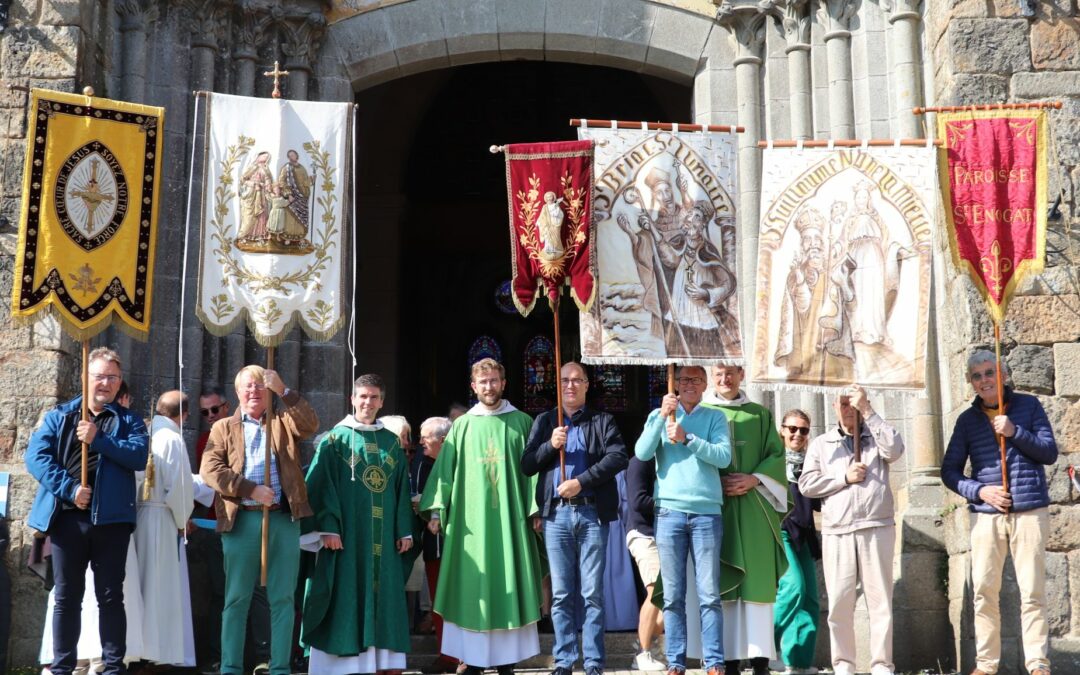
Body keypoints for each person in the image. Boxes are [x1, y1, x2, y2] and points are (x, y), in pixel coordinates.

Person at [26, 347, 150, 675]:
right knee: (67, 596)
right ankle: (62, 667)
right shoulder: (60, 417)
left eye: (113, 377)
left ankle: (112, 668)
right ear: (86, 378)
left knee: (110, 597)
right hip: (69, 519)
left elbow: (137, 456)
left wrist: (99, 440)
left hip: (112, 521)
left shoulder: (130, 422)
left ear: (119, 381)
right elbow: (36, 458)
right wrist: (70, 489)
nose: (106, 383)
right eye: (100, 376)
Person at [419, 358, 543, 675]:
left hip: (511, 523)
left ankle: (506, 662)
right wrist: (436, 509)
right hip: (469, 526)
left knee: (508, 583)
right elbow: (444, 471)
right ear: (474, 387)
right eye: (482, 382)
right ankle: (472, 660)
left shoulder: (522, 423)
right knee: (472, 588)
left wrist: (536, 509)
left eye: (494, 381)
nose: (489, 387)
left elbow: (534, 472)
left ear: (504, 383)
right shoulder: (462, 426)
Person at [941, 351, 1057, 675]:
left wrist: (1014, 431)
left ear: (1002, 375)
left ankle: (1037, 663)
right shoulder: (967, 420)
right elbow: (949, 471)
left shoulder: (1029, 407)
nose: (983, 380)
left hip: (1029, 511)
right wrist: (979, 490)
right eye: (976, 376)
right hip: (987, 515)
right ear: (971, 383)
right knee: (983, 591)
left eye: (989, 373)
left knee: (1032, 591)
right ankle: (986, 664)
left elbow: (1048, 453)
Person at [200, 366, 319, 675]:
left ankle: (280, 668)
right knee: (236, 597)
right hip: (241, 520)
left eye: (260, 387)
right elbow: (210, 469)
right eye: (247, 387)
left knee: (282, 597)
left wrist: (284, 390)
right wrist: (251, 489)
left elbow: (310, 424)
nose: (253, 391)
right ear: (238, 393)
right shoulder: (223, 428)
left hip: (282, 519)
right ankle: (231, 667)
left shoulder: (283, 422)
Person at [301, 373, 413, 674]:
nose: (367, 402)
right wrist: (328, 527)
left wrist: (404, 529)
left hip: (383, 542)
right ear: (352, 399)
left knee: (384, 597)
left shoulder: (391, 443)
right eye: (362, 396)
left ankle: (380, 664)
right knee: (345, 592)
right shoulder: (335, 440)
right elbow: (319, 485)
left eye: (374, 397)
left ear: (382, 401)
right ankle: (341, 665)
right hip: (346, 539)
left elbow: (402, 488)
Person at [521, 362, 629, 675]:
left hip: (592, 512)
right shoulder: (545, 421)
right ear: (558, 385)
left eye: (577, 380)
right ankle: (565, 659)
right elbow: (527, 464)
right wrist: (549, 446)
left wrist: (581, 481)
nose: (570, 386)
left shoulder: (603, 420)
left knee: (592, 592)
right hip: (556, 516)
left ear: (586, 385)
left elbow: (618, 456)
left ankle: (594, 661)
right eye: (565, 380)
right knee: (561, 593)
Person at [799, 385, 904, 675]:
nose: (849, 408)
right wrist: (843, 477)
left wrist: (868, 411)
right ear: (834, 406)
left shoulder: (876, 436)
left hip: (876, 525)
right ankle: (844, 665)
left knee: (880, 600)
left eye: (854, 403)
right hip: (839, 528)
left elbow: (895, 450)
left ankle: (882, 665)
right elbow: (807, 484)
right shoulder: (822, 443)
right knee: (840, 603)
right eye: (844, 403)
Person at [635, 365, 731, 675]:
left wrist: (688, 438)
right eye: (683, 379)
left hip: (706, 512)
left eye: (695, 380)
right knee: (673, 595)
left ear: (705, 385)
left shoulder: (716, 417)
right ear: (675, 384)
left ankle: (714, 661)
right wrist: (662, 417)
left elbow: (723, 457)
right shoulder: (661, 414)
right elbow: (642, 452)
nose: (689, 384)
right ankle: (676, 661)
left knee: (709, 594)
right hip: (669, 512)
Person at [701, 365, 787, 675]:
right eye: (720, 374)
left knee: (756, 584)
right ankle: (729, 661)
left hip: (754, 507)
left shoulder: (758, 415)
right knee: (721, 583)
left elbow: (777, 456)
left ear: (741, 375)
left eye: (732, 373)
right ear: (713, 376)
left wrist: (753, 479)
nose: (725, 380)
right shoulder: (702, 411)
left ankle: (761, 660)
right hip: (716, 506)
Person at [136, 390, 195, 667]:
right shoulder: (172, 438)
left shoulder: (143, 432)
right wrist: (184, 521)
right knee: (158, 589)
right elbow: (179, 489)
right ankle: (153, 652)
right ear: (183, 415)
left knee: (140, 586)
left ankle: (135, 650)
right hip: (161, 518)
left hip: (137, 518)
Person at [774, 409, 821, 675]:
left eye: (803, 430)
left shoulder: (811, 462)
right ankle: (763, 647)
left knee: (810, 600)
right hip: (781, 530)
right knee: (794, 588)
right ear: (782, 430)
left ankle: (798, 661)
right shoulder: (773, 458)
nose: (797, 435)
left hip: (804, 532)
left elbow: (817, 502)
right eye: (792, 429)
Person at [414, 417, 457, 674]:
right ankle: (448, 656)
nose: (420, 443)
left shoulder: (461, 461)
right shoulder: (423, 463)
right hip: (436, 544)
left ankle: (467, 656)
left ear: (443, 440)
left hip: (463, 543)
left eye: (425, 437)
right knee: (440, 602)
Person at [625, 456, 665, 671]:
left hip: (665, 535)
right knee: (655, 591)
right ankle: (643, 652)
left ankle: (648, 644)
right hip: (644, 535)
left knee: (669, 598)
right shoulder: (639, 462)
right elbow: (638, 500)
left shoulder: (670, 458)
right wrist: (673, 502)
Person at [276, 148, 312, 240]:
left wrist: (311, 180)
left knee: (301, 218)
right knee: (291, 216)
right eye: (290, 155)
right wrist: (289, 194)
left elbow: (305, 181)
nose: (293, 156)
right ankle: (288, 236)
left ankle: (299, 236)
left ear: (297, 155)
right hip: (292, 195)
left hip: (302, 196)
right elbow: (282, 181)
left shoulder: (302, 168)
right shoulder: (286, 167)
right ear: (288, 157)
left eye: (294, 154)